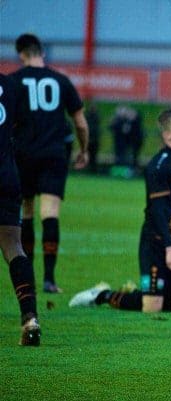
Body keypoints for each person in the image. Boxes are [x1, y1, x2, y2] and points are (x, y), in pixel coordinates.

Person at [69, 109, 171, 313]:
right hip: (157, 244)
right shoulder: (158, 165)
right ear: (167, 135)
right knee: (151, 307)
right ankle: (103, 295)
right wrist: (169, 247)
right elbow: (157, 211)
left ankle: (148, 292)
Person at [10, 33, 89, 294]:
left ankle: (28, 277)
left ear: (21, 54)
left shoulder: (14, 82)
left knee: (27, 211)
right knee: (51, 212)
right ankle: (50, 279)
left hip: (23, 153)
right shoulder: (61, 80)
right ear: (42, 52)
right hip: (54, 153)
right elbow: (79, 122)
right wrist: (84, 149)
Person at [0, 72, 41, 346]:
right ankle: (30, 318)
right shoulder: (10, 85)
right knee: (13, 245)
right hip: (5, 174)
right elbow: (25, 126)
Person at [109, 105, 144, 178]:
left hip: (127, 143)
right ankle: (120, 172)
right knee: (120, 157)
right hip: (122, 143)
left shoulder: (132, 121)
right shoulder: (121, 121)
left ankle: (128, 172)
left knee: (128, 157)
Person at [85, 100, 101, 173]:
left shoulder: (89, 116)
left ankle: (91, 169)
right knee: (91, 155)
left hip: (91, 139)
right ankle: (91, 169)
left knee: (92, 155)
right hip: (91, 139)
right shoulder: (96, 117)